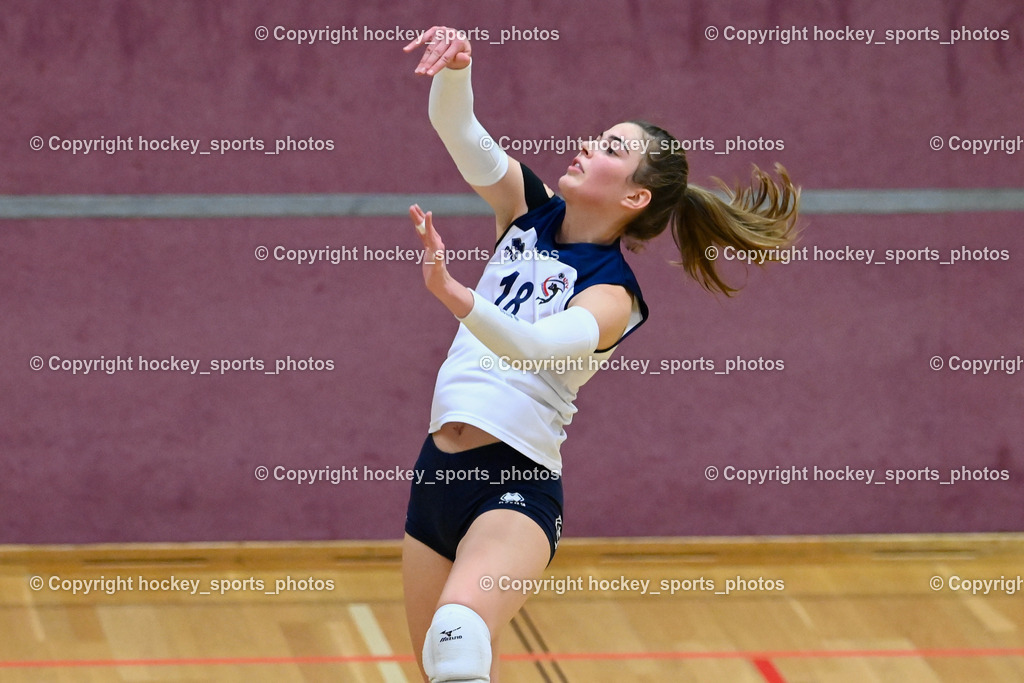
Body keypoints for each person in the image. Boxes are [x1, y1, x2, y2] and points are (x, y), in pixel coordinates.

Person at [401, 26, 799, 682]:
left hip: (514, 484)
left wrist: (455, 295)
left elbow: (534, 347)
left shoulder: (613, 293)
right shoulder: (525, 210)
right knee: (434, 670)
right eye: (597, 136)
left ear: (636, 196)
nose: (588, 145)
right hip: (436, 475)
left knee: (456, 637)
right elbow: (458, 129)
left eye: (612, 147)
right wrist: (458, 67)